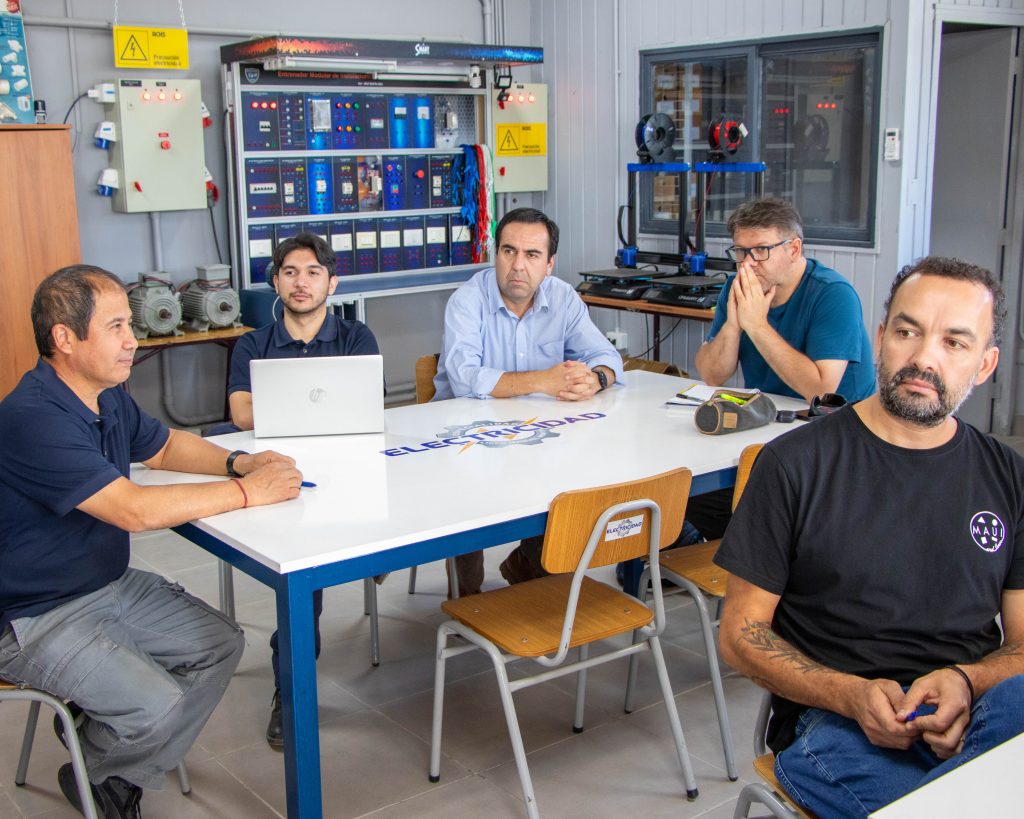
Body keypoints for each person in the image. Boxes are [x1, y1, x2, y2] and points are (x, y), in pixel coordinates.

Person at [715, 257, 1024, 818]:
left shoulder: (1009, 476)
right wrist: (850, 694)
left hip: (972, 705)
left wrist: (966, 681)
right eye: (908, 332)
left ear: (985, 364)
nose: (924, 358)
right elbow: (740, 635)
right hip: (837, 720)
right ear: (881, 338)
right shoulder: (793, 463)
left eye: (954, 343)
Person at [0, 265, 302, 819]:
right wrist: (246, 492)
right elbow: (133, 511)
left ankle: (104, 752)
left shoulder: (106, 395)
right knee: (157, 705)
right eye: (115, 326)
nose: (132, 340)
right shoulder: (32, 417)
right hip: (32, 615)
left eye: (128, 324)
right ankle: (100, 769)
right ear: (65, 338)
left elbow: (163, 448)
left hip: (105, 584)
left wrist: (239, 461)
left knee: (220, 644)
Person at [226, 232, 380, 749]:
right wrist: (325, 408)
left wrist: (282, 406)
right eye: (290, 272)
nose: (301, 282)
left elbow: (368, 407)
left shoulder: (357, 337)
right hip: (281, 474)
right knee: (302, 582)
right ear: (275, 281)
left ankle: (369, 557)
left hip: (352, 471)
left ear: (332, 283)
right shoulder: (253, 344)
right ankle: (289, 692)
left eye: (313, 272)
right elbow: (240, 413)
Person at [433, 207, 623, 594]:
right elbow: (465, 378)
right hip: (466, 438)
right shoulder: (467, 300)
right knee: (469, 497)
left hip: (538, 433)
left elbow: (606, 356)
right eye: (509, 251)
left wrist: (596, 379)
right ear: (496, 254)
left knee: (574, 481)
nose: (518, 265)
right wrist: (544, 380)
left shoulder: (563, 297)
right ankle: (467, 600)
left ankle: (529, 565)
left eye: (532, 254)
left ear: (549, 264)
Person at [691, 198, 876, 542]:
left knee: (757, 507)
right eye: (740, 251)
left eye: (761, 250)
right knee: (693, 495)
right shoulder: (739, 287)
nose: (748, 262)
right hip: (769, 428)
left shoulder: (833, 295)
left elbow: (821, 390)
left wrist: (757, 325)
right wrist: (734, 324)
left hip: (840, 439)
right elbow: (712, 375)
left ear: (793, 249)